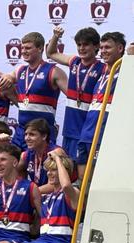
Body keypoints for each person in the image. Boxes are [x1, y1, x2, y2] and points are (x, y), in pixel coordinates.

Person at [0, 153, 79, 243]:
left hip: (61, 242)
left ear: (64, 171)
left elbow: (66, 185)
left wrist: (57, 158)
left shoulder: (72, 193)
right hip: (42, 240)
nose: (49, 174)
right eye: (48, 170)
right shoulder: (46, 197)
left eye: (54, 170)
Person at [46, 26, 103, 164]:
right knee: (69, 167)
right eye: (79, 44)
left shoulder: (103, 68)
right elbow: (51, 53)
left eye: (86, 44)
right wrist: (56, 36)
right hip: (69, 128)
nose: (81, 48)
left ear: (96, 46)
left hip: (87, 129)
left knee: (84, 171)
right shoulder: (74, 61)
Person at [4, 32, 68, 150]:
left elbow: (73, 96)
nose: (23, 51)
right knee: (15, 165)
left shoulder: (53, 71)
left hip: (42, 134)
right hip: (21, 132)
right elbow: (7, 77)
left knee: (40, 167)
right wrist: (7, 78)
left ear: (40, 48)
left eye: (28, 48)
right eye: (22, 48)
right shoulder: (20, 70)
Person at [78, 32, 126, 178]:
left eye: (108, 47)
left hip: (104, 134)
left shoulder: (126, 70)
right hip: (87, 133)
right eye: (102, 47)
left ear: (120, 48)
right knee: (82, 179)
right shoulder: (103, 72)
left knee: (98, 178)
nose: (103, 51)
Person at [18, 118, 66, 186]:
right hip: (39, 193)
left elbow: (54, 185)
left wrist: (29, 192)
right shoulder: (26, 155)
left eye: (32, 134)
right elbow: (11, 173)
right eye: (26, 134)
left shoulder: (56, 152)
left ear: (44, 136)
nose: (27, 138)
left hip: (59, 194)